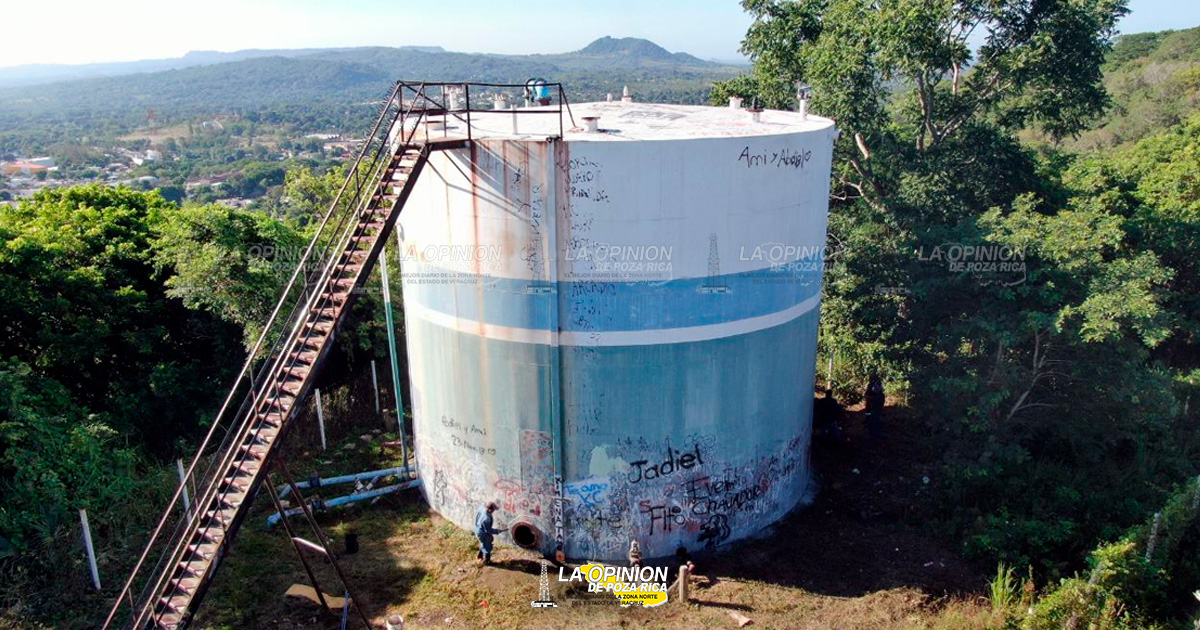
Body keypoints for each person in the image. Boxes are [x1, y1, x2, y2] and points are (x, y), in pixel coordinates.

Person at [865, 374, 885, 440]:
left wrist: (869, 398)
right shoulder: (881, 394)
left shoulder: (878, 394)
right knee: (873, 420)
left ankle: (875, 437)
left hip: (874, 409)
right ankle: (875, 435)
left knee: (873, 423)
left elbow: (869, 397)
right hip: (874, 408)